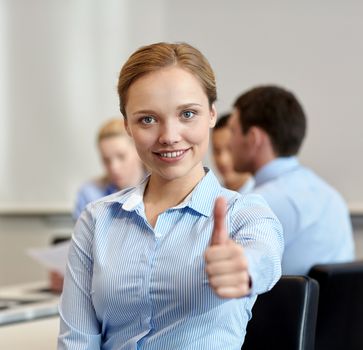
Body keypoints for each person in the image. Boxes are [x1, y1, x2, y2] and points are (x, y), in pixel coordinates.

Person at [58, 42, 283, 349]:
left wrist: (244, 268)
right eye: (147, 119)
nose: (169, 136)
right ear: (127, 125)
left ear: (212, 115)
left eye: (187, 114)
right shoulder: (96, 220)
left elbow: (264, 256)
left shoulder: (245, 213)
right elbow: (76, 342)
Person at [229, 85, 355, 275]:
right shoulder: (330, 195)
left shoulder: (259, 204)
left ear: (253, 138)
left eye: (233, 132)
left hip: (279, 305)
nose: (229, 143)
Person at [49, 118, 145, 293]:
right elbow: (84, 253)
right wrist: (67, 273)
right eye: (106, 160)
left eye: (121, 157)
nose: (114, 167)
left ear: (138, 151)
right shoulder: (90, 194)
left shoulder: (160, 190)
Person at [211, 113, 254, 193]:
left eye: (230, 149)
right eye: (216, 151)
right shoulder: (210, 197)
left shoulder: (265, 198)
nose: (222, 160)